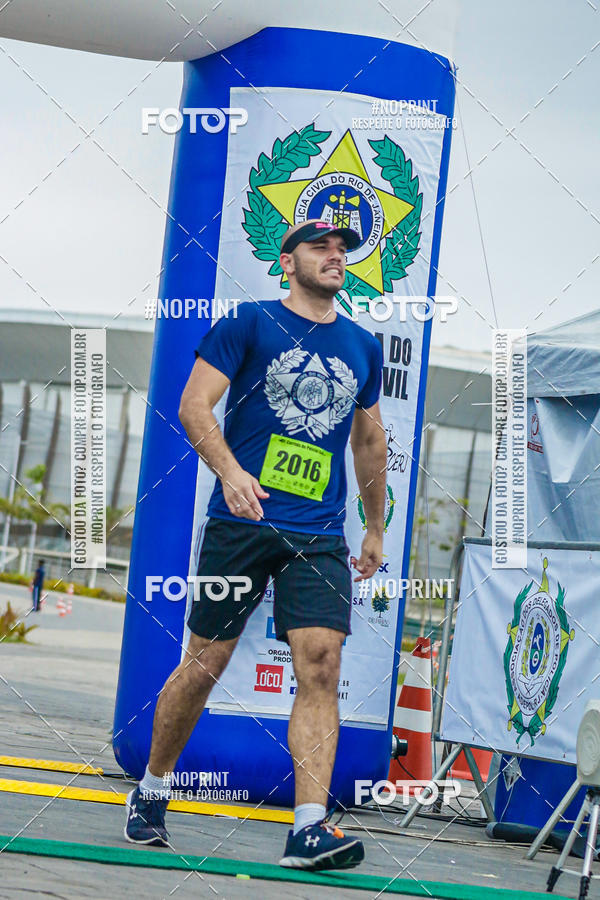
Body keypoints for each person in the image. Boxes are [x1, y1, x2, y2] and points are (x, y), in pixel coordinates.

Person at [124, 219, 387, 870]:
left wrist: (375, 526)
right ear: (286, 260)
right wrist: (232, 473)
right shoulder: (248, 323)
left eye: (342, 250)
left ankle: (308, 828)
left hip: (319, 532)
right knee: (207, 661)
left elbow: (369, 442)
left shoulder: (362, 345)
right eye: (320, 247)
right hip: (242, 524)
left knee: (321, 665)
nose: (334, 256)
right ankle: (153, 788)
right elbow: (194, 407)